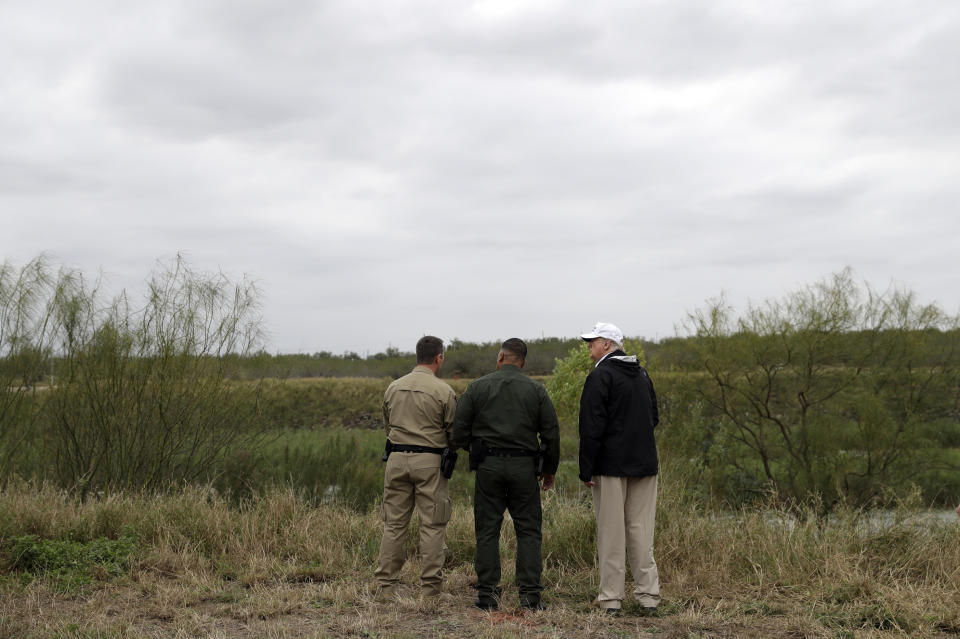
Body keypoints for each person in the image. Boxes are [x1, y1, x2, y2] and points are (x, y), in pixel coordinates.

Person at [452, 338, 560, 611]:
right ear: (523, 362)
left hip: (488, 466)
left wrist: (476, 450)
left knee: (487, 530)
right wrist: (549, 469)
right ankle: (531, 597)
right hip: (525, 468)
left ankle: (488, 596)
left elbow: (459, 431)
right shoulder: (537, 390)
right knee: (529, 531)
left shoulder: (477, 387)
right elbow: (551, 433)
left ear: (501, 357)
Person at [578, 322, 661, 615]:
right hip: (645, 465)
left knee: (611, 532)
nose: (589, 345)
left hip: (610, 466)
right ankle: (649, 596)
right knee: (641, 530)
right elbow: (653, 417)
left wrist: (586, 468)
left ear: (607, 345)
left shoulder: (600, 376)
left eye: (594, 341)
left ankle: (612, 598)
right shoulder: (641, 374)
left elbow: (591, 427)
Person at [375, 335, 458, 597]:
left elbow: (387, 426)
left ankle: (385, 585)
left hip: (396, 460)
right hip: (430, 462)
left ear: (417, 355)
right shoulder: (444, 391)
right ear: (439, 358)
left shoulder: (393, 387)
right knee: (432, 524)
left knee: (394, 524)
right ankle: (430, 588)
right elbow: (454, 434)